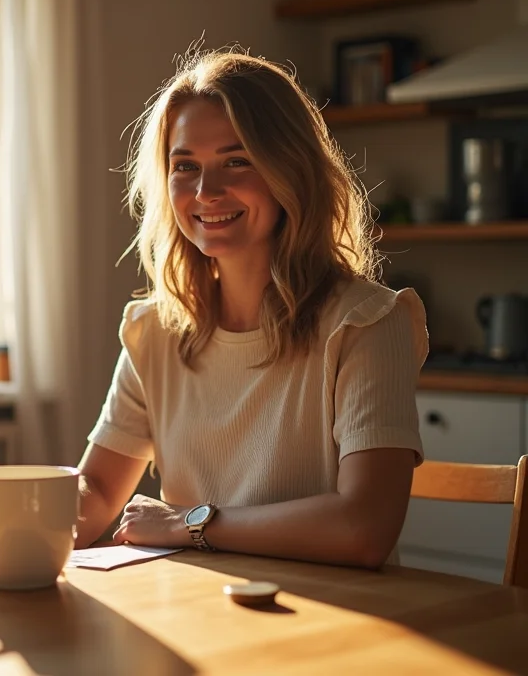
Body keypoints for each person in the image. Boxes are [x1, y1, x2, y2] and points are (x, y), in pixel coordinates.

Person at [75, 49, 428, 569]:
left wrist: (188, 523)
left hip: (335, 627)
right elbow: (98, 488)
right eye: (185, 166)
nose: (206, 191)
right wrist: (11, 517)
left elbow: (364, 528)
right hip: (196, 615)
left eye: (237, 161)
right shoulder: (153, 330)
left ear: (291, 169)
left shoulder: (367, 323)